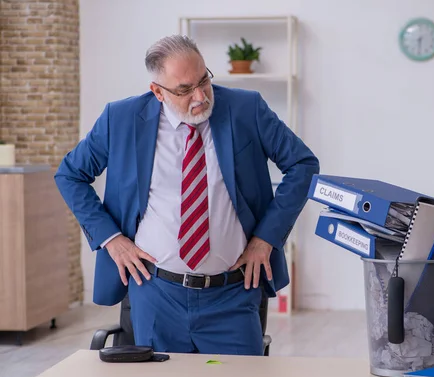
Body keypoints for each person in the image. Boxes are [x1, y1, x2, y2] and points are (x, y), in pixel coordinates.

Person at [54, 34, 319, 355]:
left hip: (233, 293)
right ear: (158, 91)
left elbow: (303, 164)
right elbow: (70, 175)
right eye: (184, 90)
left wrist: (266, 238)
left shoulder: (246, 108)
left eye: (204, 80)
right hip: (155, 292)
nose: (200, 96)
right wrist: (111, 238)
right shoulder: (121, 119)